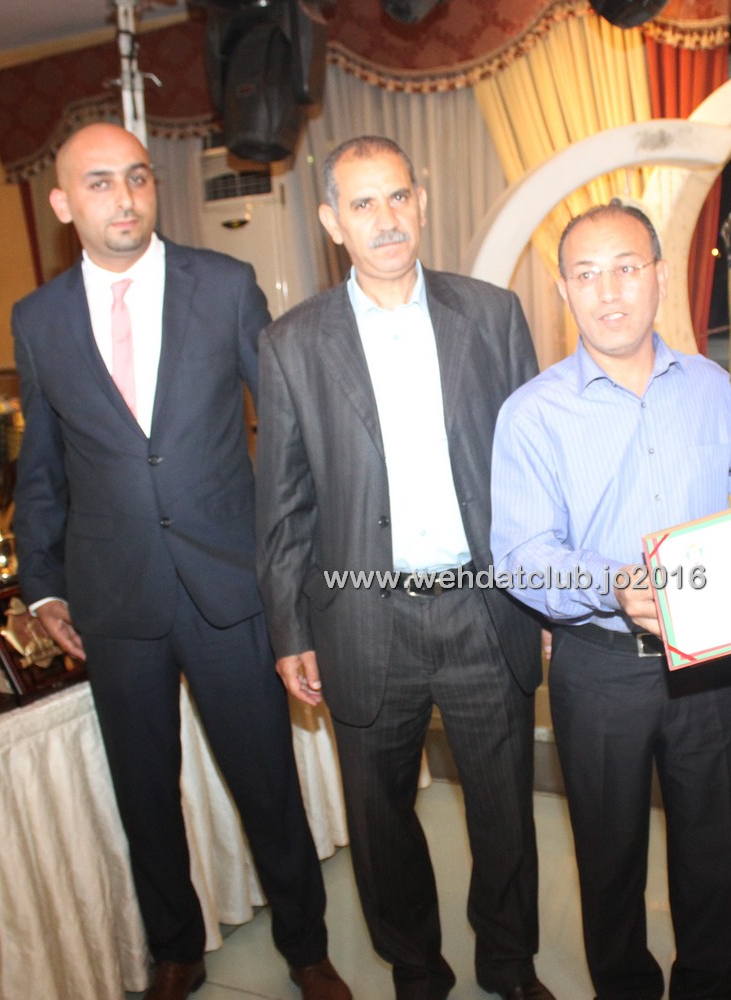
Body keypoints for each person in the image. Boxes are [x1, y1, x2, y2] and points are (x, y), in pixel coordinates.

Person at [10, 122, 347, 1000]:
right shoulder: (38, 320)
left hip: (229, 587)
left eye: (137, 177)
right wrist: (41, 586)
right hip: (113, 598)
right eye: (99, 183)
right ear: (63, 204)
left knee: (266, 781)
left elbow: (289, 437)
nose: (124, 198)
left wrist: (297, 570)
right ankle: (176, 951)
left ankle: (307, 948)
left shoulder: (224, 285)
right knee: (144, 792)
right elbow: (41, 464)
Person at [254, 135, 550, 1000]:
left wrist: (544, 601)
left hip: (483, 608)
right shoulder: (291, 344)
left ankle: (510, 964)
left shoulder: (492, 315)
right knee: (380, 821)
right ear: (331, 221)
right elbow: (283, 504)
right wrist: (290, 630)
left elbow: (534, 471)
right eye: (362, 203)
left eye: (396, 198)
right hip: (362, 617)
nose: (384, 219)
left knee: (504, 812)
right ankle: (417, 970)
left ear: (419, 203)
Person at [490, 202, 731, 1000]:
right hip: (600, 667)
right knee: (609, 859)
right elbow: (521, 557)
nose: (608, 291)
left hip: (711, 658)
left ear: (659, 276)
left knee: (717, 852)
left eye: (625, 268)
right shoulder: (532, 413)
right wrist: (614, 583)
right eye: (586, 274)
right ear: (563, 291)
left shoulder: (709, 385)